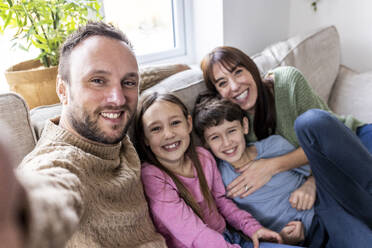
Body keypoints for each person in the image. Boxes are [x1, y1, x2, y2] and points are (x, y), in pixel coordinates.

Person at [4, 21, 167, 247]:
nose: (118, 99)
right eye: (98, 81)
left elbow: (143, 77)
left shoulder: (110, 136)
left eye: (128, 82)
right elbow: (50, 188)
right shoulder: (59, 163)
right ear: (62, 90)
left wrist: (182, 67)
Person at [200, 46, 372, 208]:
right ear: (217, 94)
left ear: (251, 70)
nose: (235, 86)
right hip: (327, 170)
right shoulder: (236, 128)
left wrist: (275, 167)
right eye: (222, 83)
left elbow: (323, 137)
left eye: (238, 72)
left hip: (352, 137)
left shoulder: (287, 81)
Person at [193, 94, 372, 247]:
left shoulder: (274, 145)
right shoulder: (217, 176)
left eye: (231, 131)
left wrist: (310, 184)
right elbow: (233, 219)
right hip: (302, 238)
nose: (226, 143)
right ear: (205, 143)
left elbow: (320, 168)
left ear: (244, 126)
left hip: (326, 210)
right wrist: (282, 238)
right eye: (215, 137)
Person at [133, 92, 303, 248]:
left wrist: (253, 228)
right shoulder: (152, 176)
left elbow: (222, 202)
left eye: (175, 123)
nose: (168, 134)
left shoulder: (203, 158)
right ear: (144, 138)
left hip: (231, 238)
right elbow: (192, 232)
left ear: (189, 124)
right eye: (156, 129)